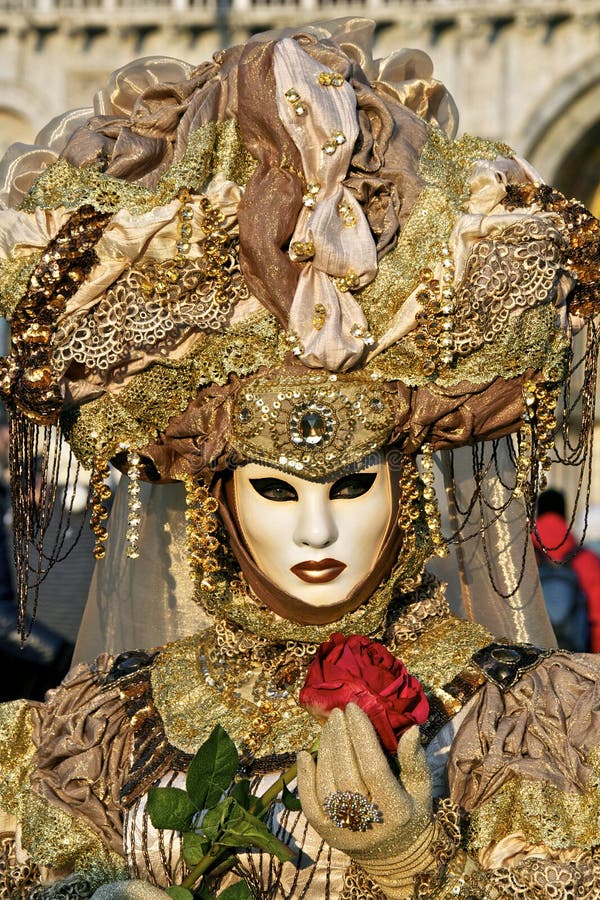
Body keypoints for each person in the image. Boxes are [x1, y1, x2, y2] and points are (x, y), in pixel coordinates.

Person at [0, 18, 599, 900]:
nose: (316, 528)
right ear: (218, 503)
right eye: (276, 490)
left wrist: (413, 866)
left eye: (352, 485)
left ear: (410, 493)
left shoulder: (519, 719)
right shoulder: (112, 725)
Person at [533, 488, 600, 652]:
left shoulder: (522, 558)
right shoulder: (585, 558)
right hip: (574, 655)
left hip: (529, 657)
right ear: (564, 514)